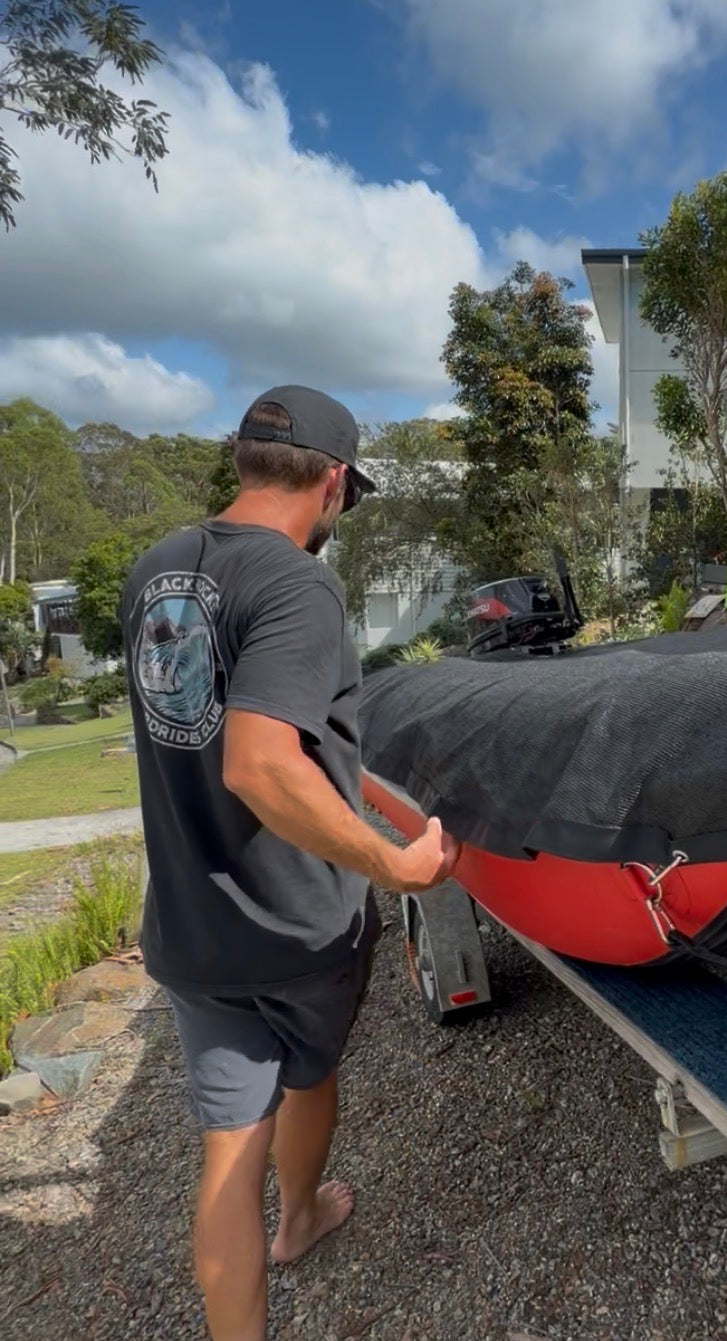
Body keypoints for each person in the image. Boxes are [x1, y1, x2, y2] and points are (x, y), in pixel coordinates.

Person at [120, 385, 459, 1341]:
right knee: (309, 1076)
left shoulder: (151, 570)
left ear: (244, 460)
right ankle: (299, 1217)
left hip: (192, 927)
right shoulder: (296, 583)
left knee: (229, 1153)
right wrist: (395, 866)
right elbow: (260, 765)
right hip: (297, 925)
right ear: (334, 482)